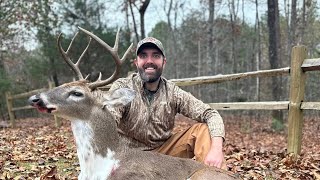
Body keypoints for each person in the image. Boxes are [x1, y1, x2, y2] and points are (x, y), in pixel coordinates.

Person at [109, 37, 226, 169]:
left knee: (201, 131)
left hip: (163, 156)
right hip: (128, 158)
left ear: (164, 62)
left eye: (156, 56)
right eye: (143, 56)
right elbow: (108, 119)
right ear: (136, 62)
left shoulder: (173, 93)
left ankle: (215, 174)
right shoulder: (123, 88)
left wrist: (216, 149)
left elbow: (210, 114)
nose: (149, 61)